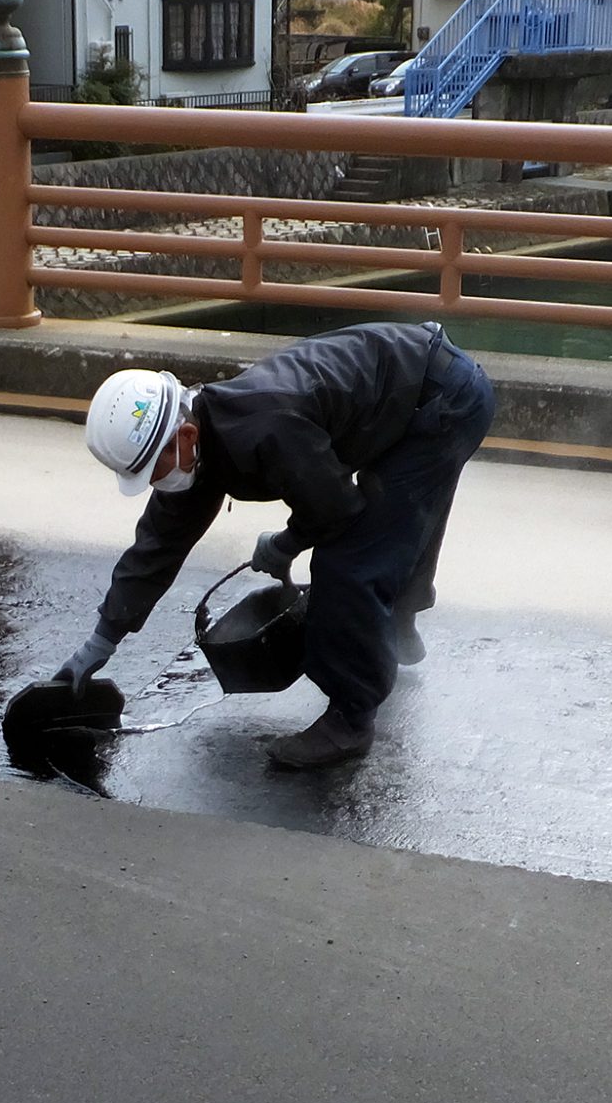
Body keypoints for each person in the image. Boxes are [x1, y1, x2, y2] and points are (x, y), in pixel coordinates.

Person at [54, 321, 496, 769]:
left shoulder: (266, 425)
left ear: (184, 436)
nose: (154, 483)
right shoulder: (201, 442)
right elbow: (157, 545)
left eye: (152, 470)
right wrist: (100, 642)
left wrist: (286, 543)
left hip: (443, 401)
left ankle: (350, 720)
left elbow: (335, 509)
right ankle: (394, 629)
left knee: (350, 562)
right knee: (393, 525)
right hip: (406, 397)